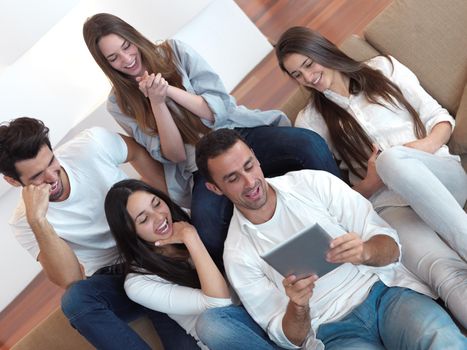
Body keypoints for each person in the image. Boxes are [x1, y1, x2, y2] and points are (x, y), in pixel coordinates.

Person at [82, 13, 341, 267]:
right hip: (199, 167)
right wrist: (157, 103)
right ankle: (259, 278)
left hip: (234, 134)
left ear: (134, 37)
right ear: (106, 64)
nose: (127, 59)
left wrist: (168, 90)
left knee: (308, 144)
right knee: (207, 231)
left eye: (127, 46)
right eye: (114, 58)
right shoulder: (119, 103)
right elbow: (174, 155)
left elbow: (218, 110)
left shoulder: (175, 51)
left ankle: (343, 214)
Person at [193, 128, 467, 350]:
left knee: (441, 338)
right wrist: (297, 306)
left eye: (249, 166)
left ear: (255, 156)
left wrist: (366, 252)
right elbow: (289, 338)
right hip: (332, 332)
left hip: (383, 294)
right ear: (215, 188)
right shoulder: (238, 254)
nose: (250, 182)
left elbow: (391, 247)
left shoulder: (313, 184)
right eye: (233, 179)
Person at [275, 26, 467, 327]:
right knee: (444, 274)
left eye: (309, 64)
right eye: (297, 75)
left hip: (438, 175)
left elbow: (439, 118)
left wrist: (417, 150)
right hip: (391, 207)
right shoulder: (310, 121)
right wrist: (372, 180)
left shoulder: (383, 68)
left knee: (393, 160)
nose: (308, 78)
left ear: (323, 49)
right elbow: (336, 194)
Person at [0, 117, 200, 350]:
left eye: (51, 162)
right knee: (75, 301)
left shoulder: (90, 145)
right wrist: (39, 220)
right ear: (14, 181)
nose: (52, 177)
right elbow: (70, 279)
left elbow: (137, 153)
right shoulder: (25, 221)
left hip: (150, 247)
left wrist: (169, 207)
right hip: (115, 275)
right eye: (37, 176)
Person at [104, 179, 282, 350]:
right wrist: (191, 238)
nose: (159, 217)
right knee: (211, 323)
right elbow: (219, 303)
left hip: (259, 303)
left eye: (157, 203)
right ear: (129, 232)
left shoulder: (187, 217)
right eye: (144, 219)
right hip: (232, 332)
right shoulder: (138, 284)